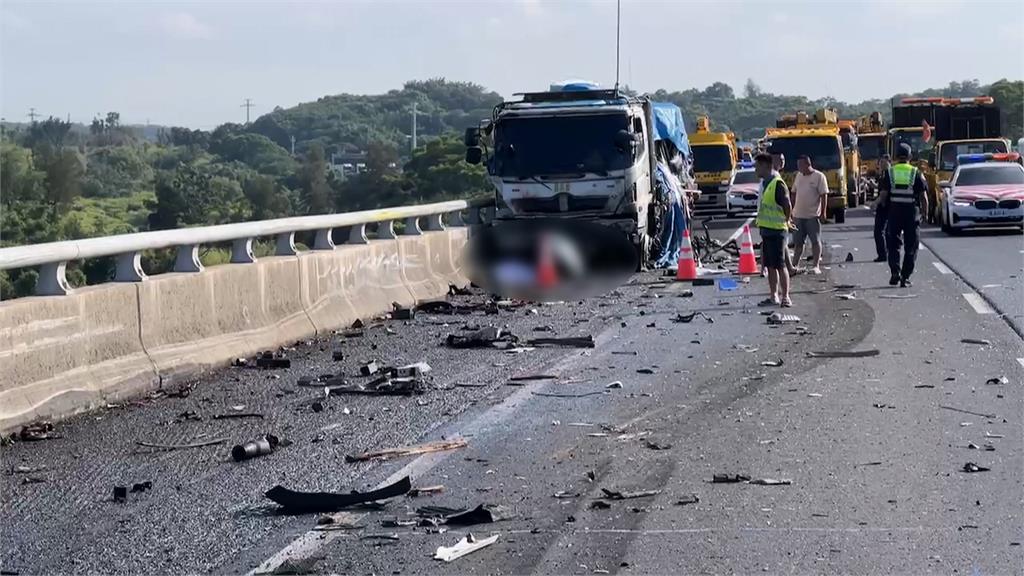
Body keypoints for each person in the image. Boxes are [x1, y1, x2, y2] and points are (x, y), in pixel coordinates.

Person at [879, 144, 929, 287]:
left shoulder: (890, 172)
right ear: (910, 157)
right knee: (911, 246)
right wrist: (925, 213)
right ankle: (905, 277)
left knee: (893, 244)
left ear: (895, 157)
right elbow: (923, 196)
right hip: (911, 214)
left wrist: (884, 208)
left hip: (894, 213)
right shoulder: (915, 172)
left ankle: (895, 272)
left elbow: (883, 195)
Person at [754, 153, 793, 307]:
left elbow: (787, 204)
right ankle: (773, 296)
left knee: (780, 264)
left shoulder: (777, 183)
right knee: (770, 265)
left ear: (765, 166)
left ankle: (786, 297)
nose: (756, 170)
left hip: (777, 231)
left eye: (757, 166)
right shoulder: (765, 183)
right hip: (767, 230)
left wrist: (787, 220)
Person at [791, 155, 828, 274]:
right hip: (798, 215)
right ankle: (794, 265)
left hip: (812, 216)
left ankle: (816, 265)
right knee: (798, 243)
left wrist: (823, 212)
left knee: (815, 241)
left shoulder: (819, 176)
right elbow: (794, 192)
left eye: (800, 165)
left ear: (807, 164)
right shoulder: (798, 176)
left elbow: (823, 195)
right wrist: (791, 211)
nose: (798, 168)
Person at [770, 152, 800, 276]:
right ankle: (781, 270)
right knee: (777, 246)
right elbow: (786, 202)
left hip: (772, 218)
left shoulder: (771, 176)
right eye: (779, 160)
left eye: (783, 159)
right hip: (775, 218)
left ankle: (789, 268)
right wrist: (788, 219)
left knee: (783, 243)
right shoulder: (775, 178)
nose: (782, 162)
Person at [871, 154, 891, 262]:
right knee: (885, 232)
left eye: (884, 163)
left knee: (879, 232)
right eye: (881, 163)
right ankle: (885, 253)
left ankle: (883, 255)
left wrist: (875, 203)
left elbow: (884, 193)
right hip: (884, 207)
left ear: (889, 162)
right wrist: (871, 185)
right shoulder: (883, 175)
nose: (882, 165)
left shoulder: (888, 175)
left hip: (885, 207)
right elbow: (880, 188)